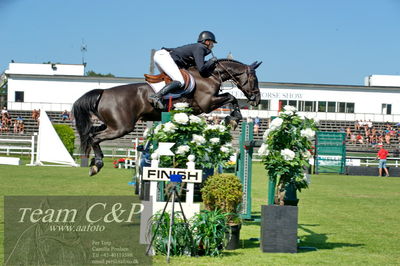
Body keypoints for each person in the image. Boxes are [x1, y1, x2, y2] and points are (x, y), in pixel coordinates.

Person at [148, 31, 218, 109]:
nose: (213, 45)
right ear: (207, 42)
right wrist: (211, 61)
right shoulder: (200, 48)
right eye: (212, 43)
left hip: (162, 56)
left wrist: (209, 63)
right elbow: (201, 69)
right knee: (179, 81)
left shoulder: (198, 47)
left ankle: (163, 99)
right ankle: (156, 96)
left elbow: (196, 66)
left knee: (171, 80)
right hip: (164, 57)